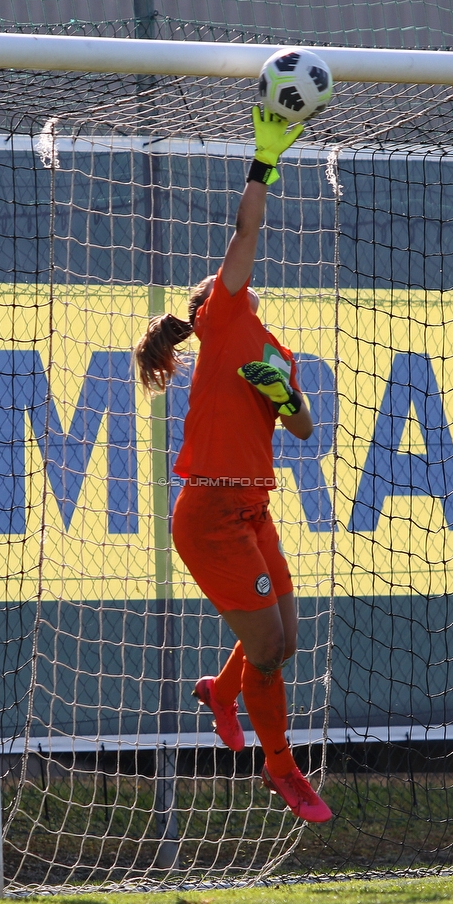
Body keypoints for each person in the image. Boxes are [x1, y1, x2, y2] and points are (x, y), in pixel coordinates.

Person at [134, 106, 332, 824]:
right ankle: (284, 771)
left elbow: (306, 430)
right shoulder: (224, 318)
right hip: (211, 513)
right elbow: (244, 232)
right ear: (207, 307)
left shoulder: (272, 348)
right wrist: (264, 158)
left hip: (253, 508)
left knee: (287, 639)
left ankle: (221, 692)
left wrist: (286, 395)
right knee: (273, 648)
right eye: (219, 287)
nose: (233, 283)